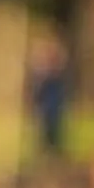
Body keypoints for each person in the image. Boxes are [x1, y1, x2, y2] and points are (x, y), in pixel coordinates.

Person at [29, 29, 72, 158]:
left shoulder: (56, 76)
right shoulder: (42, 73)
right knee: (44, 128)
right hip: (46, 105)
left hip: (53, 105)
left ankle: (53, 150)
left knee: (54, 128)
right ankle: (46, 149)